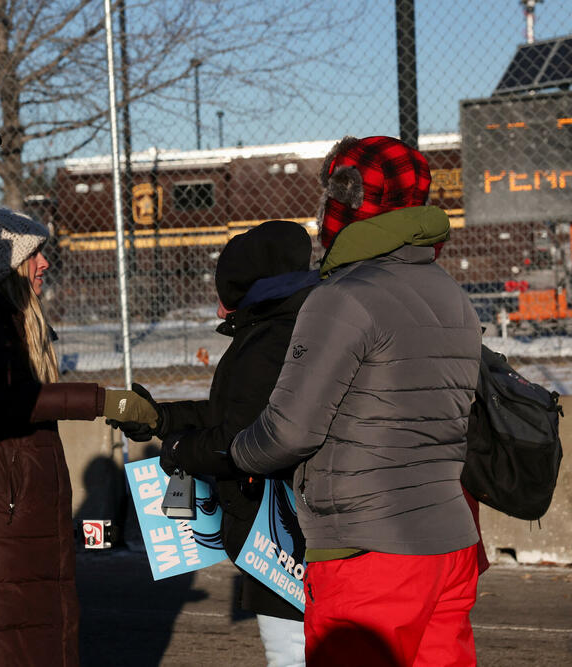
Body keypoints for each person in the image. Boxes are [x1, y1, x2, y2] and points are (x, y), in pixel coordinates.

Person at [230, 136, 483, 666]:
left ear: (344, 203)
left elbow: (289, 432)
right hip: (450, 543)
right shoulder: (451, 296)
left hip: (368, 552)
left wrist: (236, 454)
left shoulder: (343, 297)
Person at [0, 208, 157, 667]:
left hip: (15, 518)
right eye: (34, 253)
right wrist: (102, 401)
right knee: (0, 642)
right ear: (4, 263)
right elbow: (7, 399)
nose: (45, 263)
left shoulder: (6, 318)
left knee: (32, 637)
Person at [109, 220, 319, 667]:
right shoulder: (299, 322)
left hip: (280, 527)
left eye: (229, 293)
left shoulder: (270, 340)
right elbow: (238, 415)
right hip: (297, 516)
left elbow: (238, 441)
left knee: (293, 652)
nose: (221, 310)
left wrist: (177, 451)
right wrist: (163, 419)